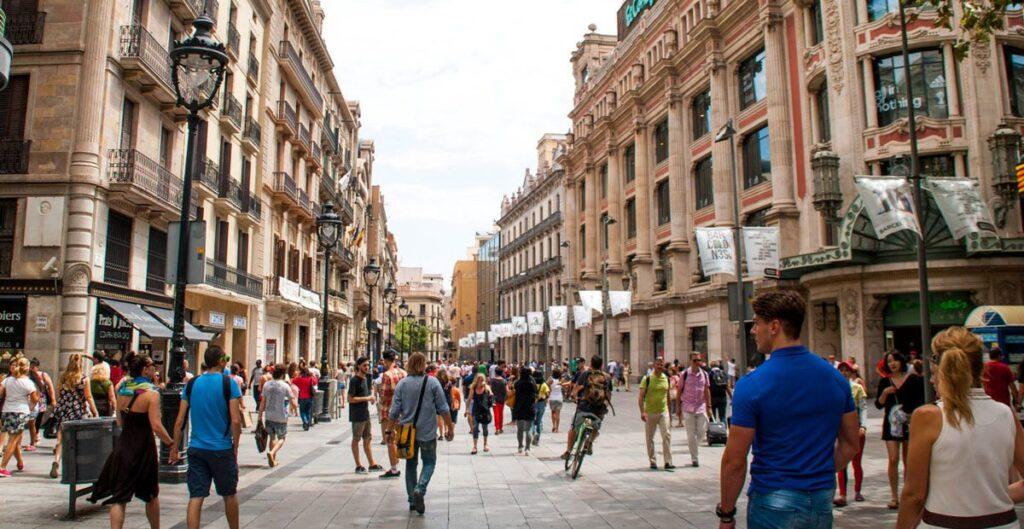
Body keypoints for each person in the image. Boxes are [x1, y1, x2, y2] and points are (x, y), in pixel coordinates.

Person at [717, 290, 859, 529]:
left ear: (774, 326)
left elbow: (734, 460)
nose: (753, 330)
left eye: (756, 323)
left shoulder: (752, 385)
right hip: (822, 499)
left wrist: (727, 514)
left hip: (773, 501)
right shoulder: (836, 379)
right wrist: (818, 471)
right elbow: (851, 444)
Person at [896, 327, 1024, 529]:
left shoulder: (928, 417)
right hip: (1003, 523)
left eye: (932, 373)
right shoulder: (1006, 414)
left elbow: (914, 496)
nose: (931, 380)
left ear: (940, 368)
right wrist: (989, 496)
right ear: (980, 368)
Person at [87, 355, 173, 529]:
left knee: (120, 498)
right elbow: (156, 425)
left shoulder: (123, 391)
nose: (154, 369)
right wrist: (171, 443)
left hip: (124, 447)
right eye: (152, 366)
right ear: (144, 370)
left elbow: (119, 422)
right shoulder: (151, 394)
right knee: (151, 495)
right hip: (143, 449)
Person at [168, 346, 243, 529]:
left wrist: (174, 448)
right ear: (220, 362)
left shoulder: (192, 384)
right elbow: (235, 420)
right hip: (221, 448)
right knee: (229, 494)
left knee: (196, 496)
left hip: (197, 449)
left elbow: (179, 420)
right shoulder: (229, 384)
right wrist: (236, 445)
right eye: (225, 357)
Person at [388, 352, 454, 515]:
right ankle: (420, 488)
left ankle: (412, 499)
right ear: (424, 364)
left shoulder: (402, 384)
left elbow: (394, 410)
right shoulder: (433, 382)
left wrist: (389, 430)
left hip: (406, 432)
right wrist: (449, 427)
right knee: (429, 462)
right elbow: (443, 407)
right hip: (428, 430)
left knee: (411, 465)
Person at [875, 351, 925, 510]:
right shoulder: (885, 382)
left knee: (908, 460)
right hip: (891, 424)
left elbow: (921, 401)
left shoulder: (914, 379)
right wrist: (885, 393)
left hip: (909, 423)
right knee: (893, 459)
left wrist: (913, 415)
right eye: (889, 361)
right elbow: (878, 404)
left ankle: (907, 494)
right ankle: (894, 496)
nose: (892, 363)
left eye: (895, 360)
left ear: (901, 361)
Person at [52, 353, 98, 479]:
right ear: (81, 363)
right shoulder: (84, 379)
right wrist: (95, 412)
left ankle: (56, 461)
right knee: (77, 440)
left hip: (64, 410)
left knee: (61, 440)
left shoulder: (63, 377)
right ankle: (74, 467)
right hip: (78, 411)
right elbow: (88, 397)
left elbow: (58, 395)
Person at [562, 355, 613, 460]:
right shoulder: (607, 377)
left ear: (590, 364)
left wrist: (573, 396)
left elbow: (575, 389)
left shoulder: (585, 374)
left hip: (584, 406)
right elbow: (608, 395)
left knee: (573, 428)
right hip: (599, 409)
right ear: (602, 365)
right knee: (596, 427)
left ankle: (568, 451)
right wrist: (605, 405)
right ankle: (589, 442)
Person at [835, 361, 868, 507]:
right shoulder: (834, 388)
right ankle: (842, 493)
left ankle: (858, 491)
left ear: (850, 372)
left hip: (856, 429)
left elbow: (863, 408)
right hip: (840, 430)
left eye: (846, 370)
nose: (843, 372)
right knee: (842, 463)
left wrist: (863, 426)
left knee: (857, 462)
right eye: (840, 370)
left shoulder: (857, 388)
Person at [0, 357, 39, 477]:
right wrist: (32, 405)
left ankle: (19, 462)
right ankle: (2, 467)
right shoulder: (28, 382)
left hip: (7, 411)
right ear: (26, 368)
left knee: (15, 439)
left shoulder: (8, 380)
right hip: (21, 412)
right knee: (14, 440)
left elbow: (1, 392)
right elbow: (35, 399)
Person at [345, 357, 381, 473]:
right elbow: (350, 399)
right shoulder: (355, 380)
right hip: (357, 414)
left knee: (367, 438)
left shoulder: (366, 378)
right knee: (356, 439)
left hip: (365, 413)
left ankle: (372, 464)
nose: (367, 367)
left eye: (367, 365)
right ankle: (358, 465)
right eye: (364, 365)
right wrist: (367, 398)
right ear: (359, 366)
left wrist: (370, 399)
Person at [258, 363, 296, 468]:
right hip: (281, 416)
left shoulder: (267, 384)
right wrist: (294, 406)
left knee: (272, 437)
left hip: (269, 415)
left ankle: (273, 459)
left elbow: (263, 402)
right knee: (282, 438)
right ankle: (272, 453)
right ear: (283, 374)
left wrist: (260, 416)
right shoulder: (285, 386)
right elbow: (294, 403)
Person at [638, 357, 673, 471]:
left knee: (666, 435)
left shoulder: (666, 378)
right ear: (654, 365)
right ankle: (652, 461)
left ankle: (668, 461)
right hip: (650, 412)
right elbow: (641, 397)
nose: (660, 366)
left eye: (661, 364)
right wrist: (642, 412)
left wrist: (669, 411)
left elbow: (667, 395)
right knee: (649, 438)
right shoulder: (647, 378)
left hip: (663, 411)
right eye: (658, 364)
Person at [678, 353, 712, 467]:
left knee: (702, 431)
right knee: (691, 434)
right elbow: (679, 391)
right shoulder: (684, 374)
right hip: (687, 407)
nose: (698, 362)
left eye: (699, 360)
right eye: (695, 360)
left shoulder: (705, 375)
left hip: (701, 406)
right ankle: (694, 458)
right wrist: (678, 408)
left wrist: (709, 407)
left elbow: (707, 391)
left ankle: (694, 447)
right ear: (690, 361)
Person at [379, 348, 407, 479]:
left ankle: (394, 469)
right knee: (399, 438)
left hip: (389, 411)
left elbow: (384, 396)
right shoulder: (403, 373)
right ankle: (398, 462)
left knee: (390, 439)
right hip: (403, 411)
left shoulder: (387, 375)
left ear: (385, 360)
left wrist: (380, 396)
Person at [25, 358, 54, 451]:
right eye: (31, 366)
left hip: (41, 399)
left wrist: (53, 399)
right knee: (33, 420)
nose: (32, 368)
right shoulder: (27, 375)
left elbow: (50, 387)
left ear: (37, 367)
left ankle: (35, 436)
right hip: (31, 399)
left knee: (38, 418)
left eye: (34, 366)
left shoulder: (43, 375)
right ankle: (35, 436)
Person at [511, 366, 538, 455]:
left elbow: (513, 389)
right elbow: (536, 392)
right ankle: (527, 448)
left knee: (520, 429)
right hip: (530, 407)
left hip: (519, 408)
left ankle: (520, 446)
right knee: (528, 429)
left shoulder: (517, 383)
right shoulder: (532, 383)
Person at [466, 373, 493, 454]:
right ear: (476, 380)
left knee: (485, 428)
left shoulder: (486, 387)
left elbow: (491, 395)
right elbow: (469, 399)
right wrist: (467, 409)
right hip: (476, 410)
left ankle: (485, 444)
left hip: (485, 410)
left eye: (482, 380)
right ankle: (475, 446)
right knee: (475, 428)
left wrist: (489, 392)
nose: (481, 381)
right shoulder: (473, 388)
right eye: (479, 380)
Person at [292, 366, 318, 430]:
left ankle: (305, 421)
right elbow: (316, 382)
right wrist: (313, 375)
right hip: (309, 397)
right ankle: (307, 423)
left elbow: (293, 381)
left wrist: (298, 375)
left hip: (302, 398)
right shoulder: (310, 378)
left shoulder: (299, 379)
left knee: (302, 411)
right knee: (308, 411)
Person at [531, 371, 549, 447]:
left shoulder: (532, 384)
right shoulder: (544, 384)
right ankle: (537, 440)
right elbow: (547, 394)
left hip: (533, 404)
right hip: (541, 404)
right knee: (538, 422)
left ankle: (533, 432)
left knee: (531, 420)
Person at [489, 368, 508, 435]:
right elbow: (507, 391)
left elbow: (490, 389)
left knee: (496, 414)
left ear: (496, 373)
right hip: (502, 399)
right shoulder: (504, 381)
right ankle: (500, 428)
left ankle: (497, 429)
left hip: (494, 399)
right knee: (501, 414)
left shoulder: (492, 380)